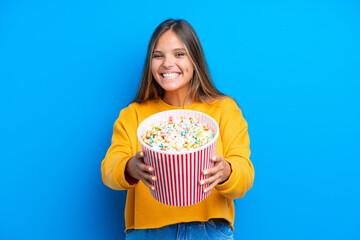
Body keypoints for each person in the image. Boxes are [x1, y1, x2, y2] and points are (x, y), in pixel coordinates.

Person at [101, 19, 254, 240]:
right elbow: (108, 170)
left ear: (195, 59)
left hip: (209, 231)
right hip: (147, 232)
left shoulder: (224, 110)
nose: (167, 63)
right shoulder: (134, 115)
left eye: (179, 54)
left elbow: (245, 175)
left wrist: (227, 171)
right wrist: (131, 167)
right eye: (158, 55)